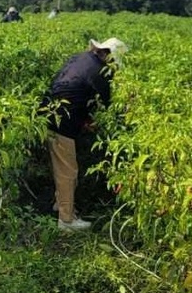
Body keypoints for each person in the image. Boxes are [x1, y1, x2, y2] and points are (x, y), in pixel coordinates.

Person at [40, 37, 128, 231]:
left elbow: (72, 89)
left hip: (48, 113)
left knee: (63, 166)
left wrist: (84, 119)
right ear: (109, 56)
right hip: (62, 122)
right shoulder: (100, 72)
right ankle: (66, 220)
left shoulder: (80, 58)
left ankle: (61, 204)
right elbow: (107, 104)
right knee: (67, 171)